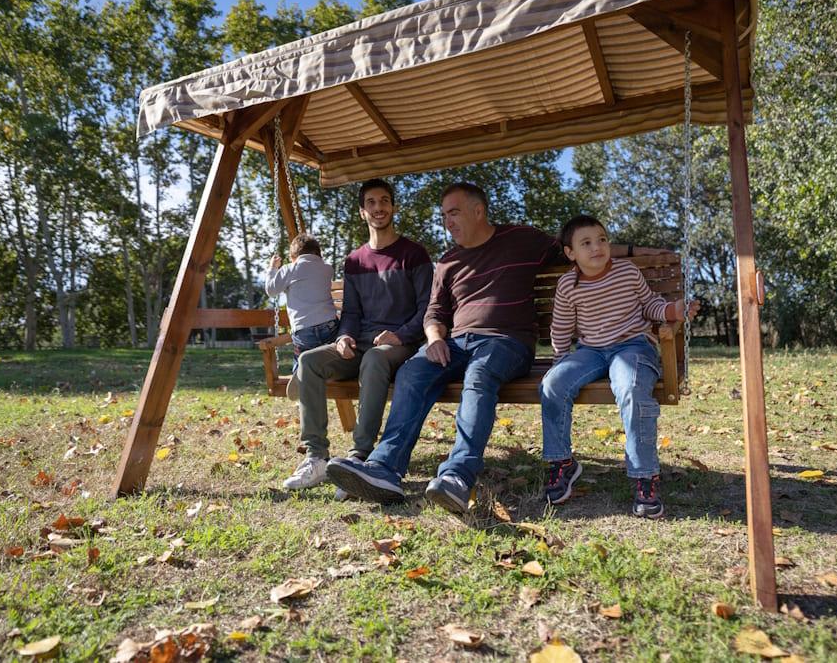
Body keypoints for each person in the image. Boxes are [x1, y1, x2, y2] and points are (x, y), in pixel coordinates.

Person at [326, 183, 653, 513]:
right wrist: (436, 338)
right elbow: (435, 313)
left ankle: (457, 476)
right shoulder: (449, 261)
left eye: (453, 213)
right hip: (456, 343)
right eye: (444, 216)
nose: (447, 222)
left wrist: (638, 252)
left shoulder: (522, 240)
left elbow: (582, 249)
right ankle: (385, 469)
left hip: (507, 342)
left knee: (479, 374)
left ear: (478, 211)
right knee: (413, 371)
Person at [539, 215, 699, 518]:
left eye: (601, 239)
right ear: (571, 253)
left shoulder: (626, 272)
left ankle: (644, 477)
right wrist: (561, 363)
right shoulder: (568, 285)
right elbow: (560, 329)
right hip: (590, 351)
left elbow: (650, 305)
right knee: (552, 384)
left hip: (632, 346)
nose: (597, 247)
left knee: (630, 388)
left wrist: (674, 310)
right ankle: (562, 462)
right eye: (586, 243)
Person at [281, 179, 433, 492]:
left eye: (385, 201)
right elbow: (350, 312)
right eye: (372, 203)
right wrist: (344, 337)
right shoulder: (354, 261)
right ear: (362, 212)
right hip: (360, 344)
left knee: (375, 359)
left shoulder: (414, 254)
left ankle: (359, 455)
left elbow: (426, 309)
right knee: (309, 361)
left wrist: (399, 335)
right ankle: (316, 457)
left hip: (400, 346)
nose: (379, 208)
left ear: (393, 206)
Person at [265, 233, 338, 383]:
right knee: (327, 354)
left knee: (302, 356)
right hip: (330, 327)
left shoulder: (289, 269)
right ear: (318, 254)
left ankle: (299, 376)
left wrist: (273, 268)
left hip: (304, 330)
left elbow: (271, 290)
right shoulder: (327, 269)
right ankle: (328, 370)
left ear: (293, 257)